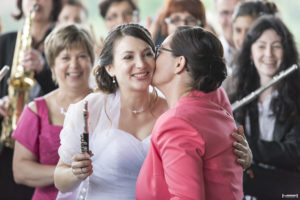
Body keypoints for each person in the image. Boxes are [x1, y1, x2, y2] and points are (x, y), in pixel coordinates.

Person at [54, 23, 251, 199]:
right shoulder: (89, 110)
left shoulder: (177, 111)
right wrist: (75, 172)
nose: (141, 64)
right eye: (128, 57)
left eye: (149, 53)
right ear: (110, 68)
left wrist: (239, 156)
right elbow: (60, 179)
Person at [136, 26, 243, 199]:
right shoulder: (220, 114)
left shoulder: (177, 122)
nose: (153, 58)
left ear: (179, 63)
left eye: (159, 51)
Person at [11, 24, 94, 200]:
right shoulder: (36, 110)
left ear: (91, 61)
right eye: (65, 58)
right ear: (52, 65)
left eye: (81, 56)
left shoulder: (107, 104)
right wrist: (69, 173)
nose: (74, 65)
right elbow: (20, 171)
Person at [229, 15, 300, 199]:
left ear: (286, 51)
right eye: (261, 46)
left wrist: (247, 146)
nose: (268, 54)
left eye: (276, 46)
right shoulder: (236, 93)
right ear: (250, 52)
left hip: (284, 192)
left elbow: (294, 152)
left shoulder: (297, 97)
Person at [0, 0, 62, 199]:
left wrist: (44, 69)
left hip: (44, 150)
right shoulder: (5, 41)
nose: (35, 1)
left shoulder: (63, 45)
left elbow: (70, 93)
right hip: (6, 144)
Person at [214, 0, 241, 72]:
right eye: (225, 13)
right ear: (216, 15)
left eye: (237, 12)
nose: (231, 19)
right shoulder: (210, 53)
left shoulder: (261, 51)